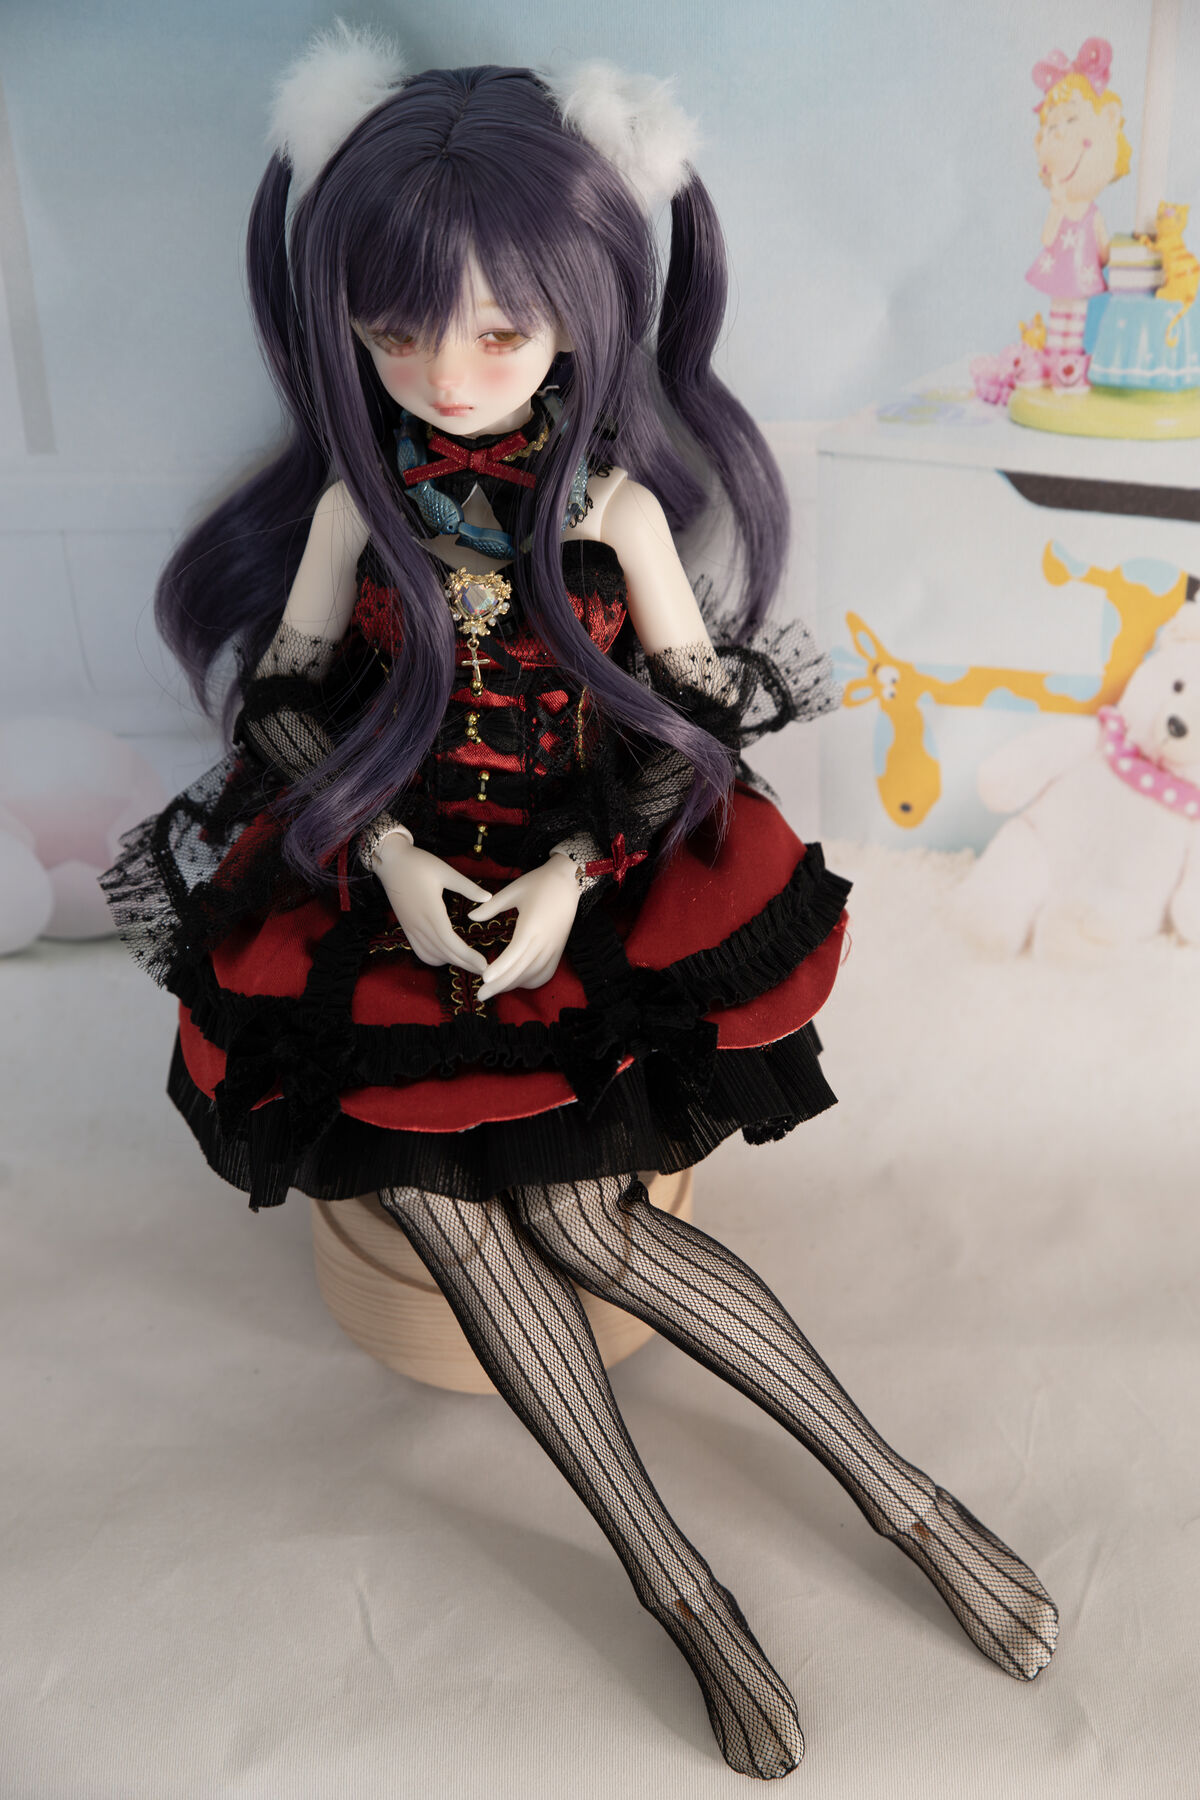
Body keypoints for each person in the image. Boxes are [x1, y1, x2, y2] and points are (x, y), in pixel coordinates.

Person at [102, 29, 1057, 1778]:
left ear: (583, 315)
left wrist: (566, 875)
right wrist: (391, 859)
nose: (445, 372)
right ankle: (679, 1585)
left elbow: (693, 723)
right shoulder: (359, 506)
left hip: (584, 882)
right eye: (396, 331)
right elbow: (286, 704)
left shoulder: (610, 513)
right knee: (450, 1206)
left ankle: (903, 1495)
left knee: (591, 1224)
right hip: (395, 893)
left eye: (500, 329)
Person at [1025, 36, 1131, 388]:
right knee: (1059, 312)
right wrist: (1057, 206)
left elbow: (1104, 252)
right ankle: (1055, 357)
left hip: (1082, 275)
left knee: (1079, 316)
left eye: (1070, 121)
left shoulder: (1092, 213)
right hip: (1062, 271)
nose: (1058, 136)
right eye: (1052, 127)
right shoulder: (1063, 203)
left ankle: (1071, 358)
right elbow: (1047, 238)